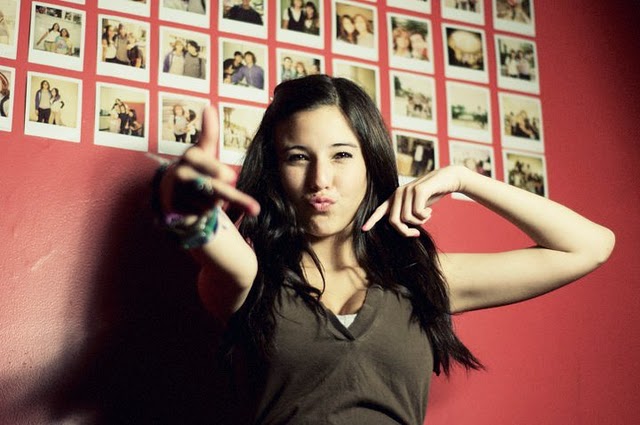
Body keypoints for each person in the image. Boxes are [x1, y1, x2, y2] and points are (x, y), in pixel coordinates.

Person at [153, 75, 614, 424]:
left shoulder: (421, 278)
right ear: (276, 172)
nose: (320, 180)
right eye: (298, 157)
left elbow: (589, 247)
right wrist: (180, 193)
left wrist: (463, 179)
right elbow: (196, 224)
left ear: (371, 165)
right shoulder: (250, 278)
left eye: (341, 154)